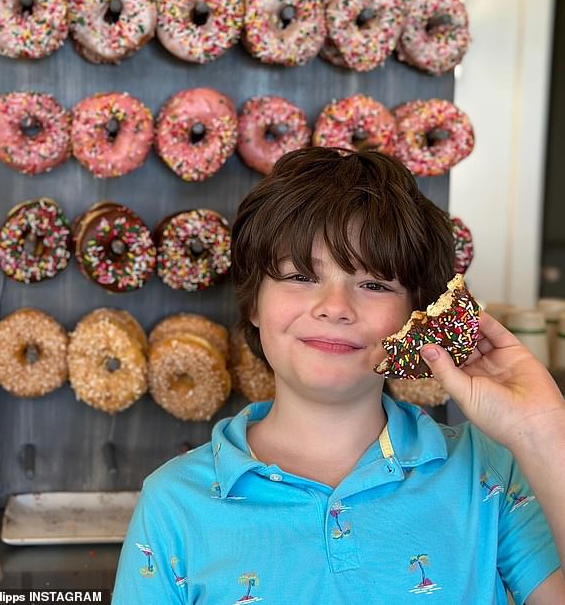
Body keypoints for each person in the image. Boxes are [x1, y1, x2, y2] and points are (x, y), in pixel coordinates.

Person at [113, 147, 565, 604]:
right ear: (253, 302)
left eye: (373, 285)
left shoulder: (487, 475)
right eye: (300, 276)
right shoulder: (173, 503)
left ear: (415, 317)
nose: (334, 307)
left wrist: (542, 430)